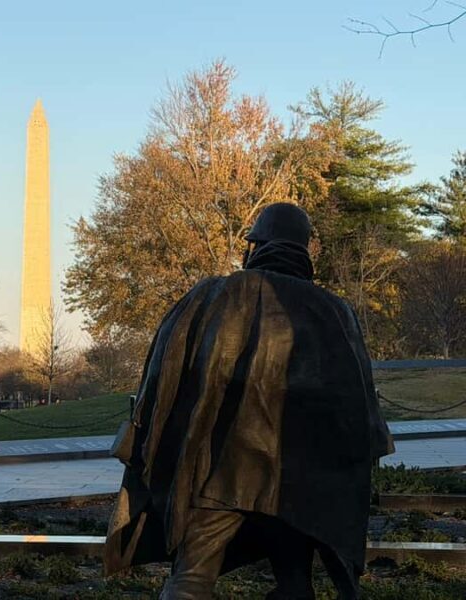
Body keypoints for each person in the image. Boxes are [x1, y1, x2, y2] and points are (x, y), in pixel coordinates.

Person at [104, 203, 395, 600]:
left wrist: (144, 441)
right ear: (303, 250)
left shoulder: (213, 295)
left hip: (221, 472)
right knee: (295, 583)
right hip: (297, 483)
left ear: (256, 245)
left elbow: (163, 373)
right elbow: (360, 411)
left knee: (191, 578)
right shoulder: (335, 311)